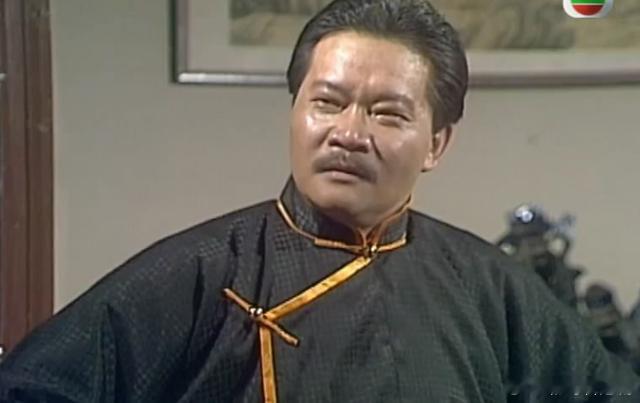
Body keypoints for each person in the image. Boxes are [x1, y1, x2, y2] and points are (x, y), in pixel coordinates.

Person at [1, 0, 639, 402]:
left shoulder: (489, 288)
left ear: (436, 143)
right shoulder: (199, 273)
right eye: (327, 103)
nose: (348, 133)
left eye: (387, 113)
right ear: (296, 112)